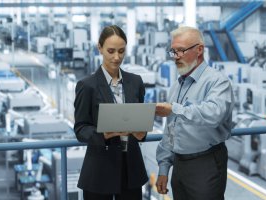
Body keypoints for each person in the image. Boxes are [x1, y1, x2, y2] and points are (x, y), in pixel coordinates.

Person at [155, 26, 234, 200]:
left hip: (206, 164)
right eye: (173, 52)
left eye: (181, 51)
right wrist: (164, 167)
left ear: (199, 50)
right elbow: (171, 130)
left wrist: (175, 109)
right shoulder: (177, 85)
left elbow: (215, 113)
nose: (176, 57)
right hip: (180, 165)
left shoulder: (217, 81)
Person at [74, 25, 148, 200]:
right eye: (111, 51)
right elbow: (81, 128)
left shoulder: (135, 82)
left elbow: (141, 123)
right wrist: (104, 133)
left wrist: (140, 132)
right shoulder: (87, 86)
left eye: (121, 51)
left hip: (131, 168)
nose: (117, 57)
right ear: (99, 48)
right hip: (100, 169)